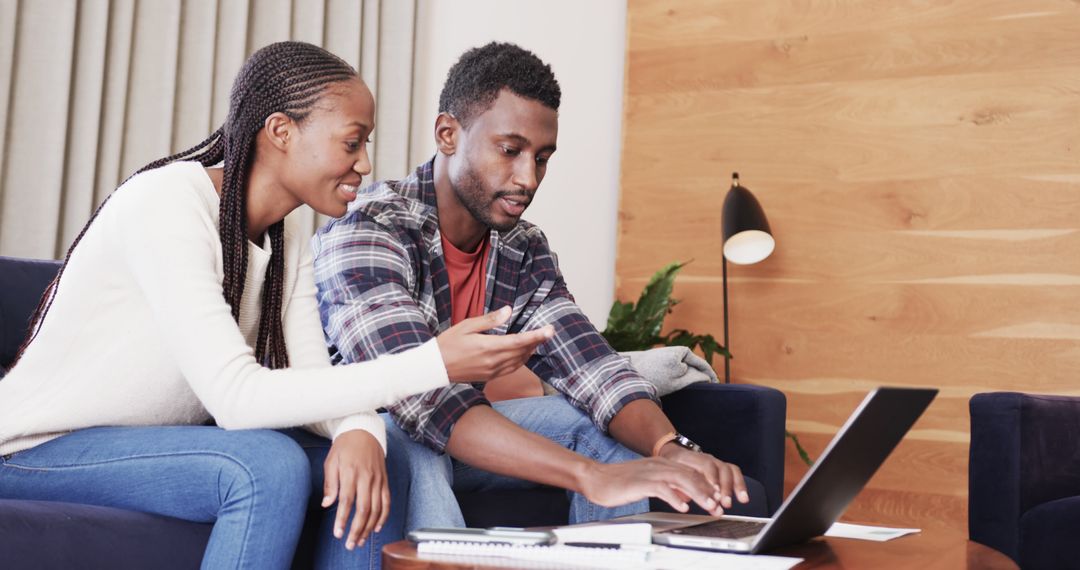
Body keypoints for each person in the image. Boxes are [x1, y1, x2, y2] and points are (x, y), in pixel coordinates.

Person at [0, 41, 551, 570]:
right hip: (36, 448)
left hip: (138, 444)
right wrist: (433, 363)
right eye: (351, 142)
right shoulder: (166, 202)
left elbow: (312, 379)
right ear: (282, 131)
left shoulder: (285, 247)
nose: (364, 164)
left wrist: (358, 429)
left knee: (389, 454)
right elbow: (236, 398)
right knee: (264, 466)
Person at [311, 41, 757, 532]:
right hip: (372, 437)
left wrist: (670, 449)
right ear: (448, 134)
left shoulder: (522, 248)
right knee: (410, 445)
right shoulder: (370, 229)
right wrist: (589, 477)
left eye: (542, 158)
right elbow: (418, 398)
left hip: (462, 435)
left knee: (601, 435)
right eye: (510, 150)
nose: (528, 179)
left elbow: (591, 368)